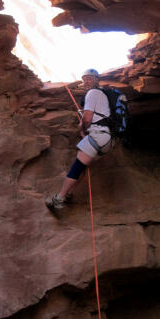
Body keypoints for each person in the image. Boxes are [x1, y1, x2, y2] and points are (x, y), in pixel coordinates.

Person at [45, 68, 113, 212]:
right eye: (84, 79)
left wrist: (81, 128)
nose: (86, 81)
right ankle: (68, 193)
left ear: (97, 80)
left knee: (77, 166)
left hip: (98, 135)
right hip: (106, 139)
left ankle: (59, 198)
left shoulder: (93, 93)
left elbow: (88, 118)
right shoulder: (103, 95)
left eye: (89, 78)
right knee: (82, 165)